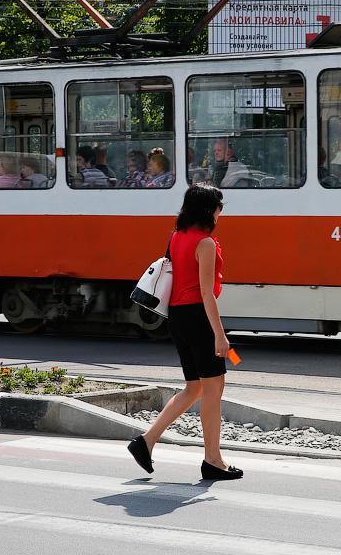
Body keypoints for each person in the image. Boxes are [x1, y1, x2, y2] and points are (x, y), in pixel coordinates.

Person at [127, 184, 243, 481]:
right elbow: (207, 294)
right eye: (219, 206)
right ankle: (213, 460)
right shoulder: (204, 243)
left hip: (177, 317)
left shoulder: (177, 236)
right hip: (197, 317)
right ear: (208, 209)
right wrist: (220, 335)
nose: (221, 212)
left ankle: (146, 441)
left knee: (195, 387)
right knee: (213, 390)